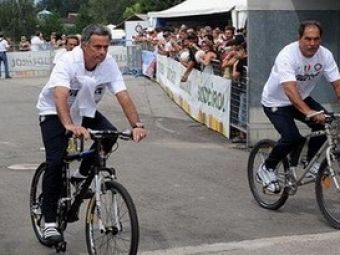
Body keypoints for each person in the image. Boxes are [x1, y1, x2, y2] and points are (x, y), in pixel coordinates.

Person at [36, 24, 147, 244]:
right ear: (84, 44)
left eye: (106, 46)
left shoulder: (108, 64)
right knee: (56, 162)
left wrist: (137, 124)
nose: (102, 52)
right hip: (54, 112)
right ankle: (49, 222)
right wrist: (68, 125)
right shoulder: (68, 61)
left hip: (85, 109)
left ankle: (81, 175)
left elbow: (122, 94)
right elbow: (60, 96)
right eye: (97, 46)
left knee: (111, 134)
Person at [258, 20, 340, 193]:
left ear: (321, 39)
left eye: (316, 39)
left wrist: (314, 113)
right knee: (291, 137)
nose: (312, 44)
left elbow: (337, 84)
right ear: (299, 38)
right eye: (307, 39)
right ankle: (267, 168)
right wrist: (309, 112)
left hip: (301, 97)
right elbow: (289, 89)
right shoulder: (287, 55)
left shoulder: (325, 55)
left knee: (327, 124)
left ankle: (311, 162)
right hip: (276, 101)